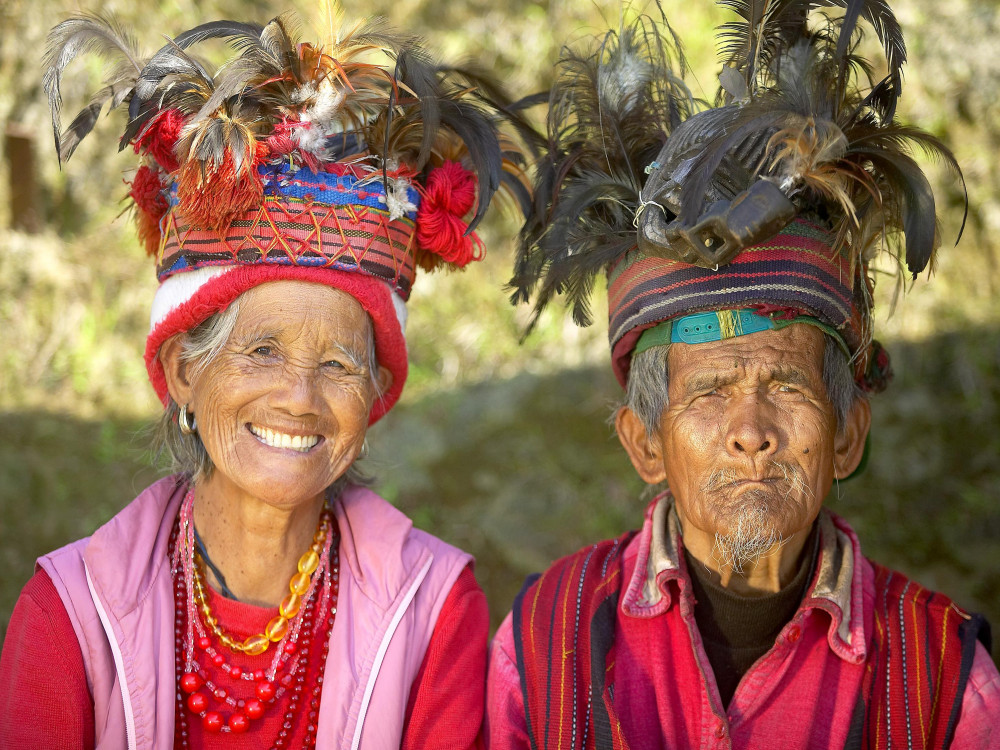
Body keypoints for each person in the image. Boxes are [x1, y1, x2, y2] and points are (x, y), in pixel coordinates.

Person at [0, 11, 525, 749]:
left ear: (376, 395)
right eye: (263, 351)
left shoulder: (432, 610)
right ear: (185, 371)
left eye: (338, 365)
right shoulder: (71, 613)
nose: (299, 399)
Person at [488, 3, 999, 748]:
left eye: (787, 386)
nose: (750, 433)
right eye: (707, 393)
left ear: (848, 435)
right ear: (645, 443)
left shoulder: (945, 682)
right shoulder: (543, 646)